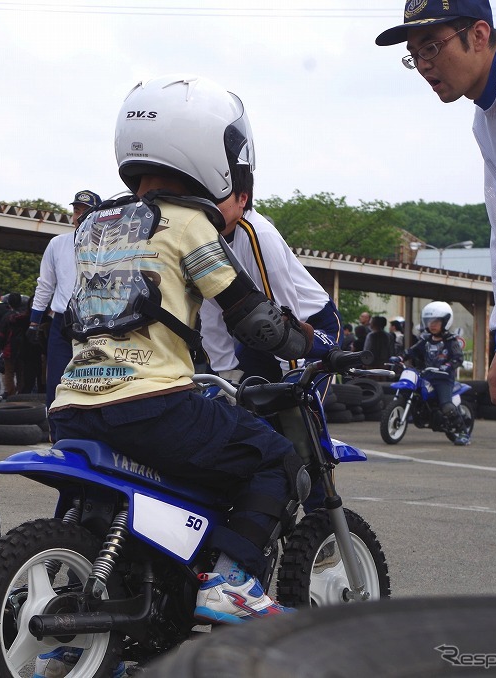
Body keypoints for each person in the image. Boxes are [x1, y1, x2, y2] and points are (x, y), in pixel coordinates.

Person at [49, 74, 314, 632]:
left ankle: (124, 616)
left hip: (72, 403)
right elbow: (253, 318)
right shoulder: (192, 223)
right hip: (151, 402)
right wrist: (314, 343)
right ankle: (233, 581)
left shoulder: (95, 223)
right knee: (272, 459)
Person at [376, 0, 496, 595]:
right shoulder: (488, 121)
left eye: (433, 46)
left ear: (478, 35)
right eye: (416, 54)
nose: (425, 64)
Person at [198, 187, 340, 385]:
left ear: (242, 198)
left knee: (298, 408)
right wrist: (226, 373)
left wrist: (291, 375)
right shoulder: (202, 241)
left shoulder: (258, 234)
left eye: (218, 196)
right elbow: (210, 314)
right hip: (259, 333)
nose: (209, 205)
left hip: (309, 326)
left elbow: (284, 311)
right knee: (234, 403)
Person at [28, 189, 102, 438]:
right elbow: (45, 285)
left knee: (92, 379)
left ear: (98, 215)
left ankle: (90, 434)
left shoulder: (109, 245)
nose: (79, 216)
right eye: (76, 210)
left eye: (85, 211)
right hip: (61, 322)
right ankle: (57, 434)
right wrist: (33, 322)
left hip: (95, 323)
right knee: (57, 381)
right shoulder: (57, 244)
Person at [402, 302, 469, 445]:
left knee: (446, 405)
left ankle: (463, 432)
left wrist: (448, 366)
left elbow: (458, 358)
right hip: (426, 376)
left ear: (445, 322)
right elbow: (411, 351)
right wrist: (400, 357)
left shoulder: (451, 341)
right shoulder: (425, 340)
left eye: (436, 321)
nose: (432, 324)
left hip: (443, 379)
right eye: (429, 321)